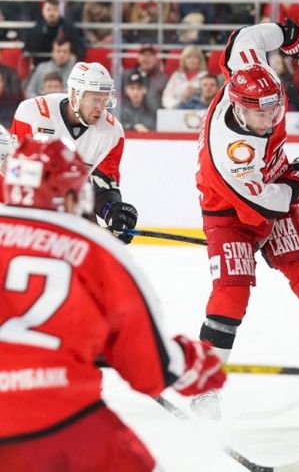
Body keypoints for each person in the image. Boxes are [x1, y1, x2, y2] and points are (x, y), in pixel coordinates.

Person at [0, 136, 226, 470]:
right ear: (69, 192)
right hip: (65, 420)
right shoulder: (92, 247)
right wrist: (195, 367)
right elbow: (150, 365)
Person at [193, 19, 299, 418]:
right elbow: (268, 205)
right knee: (231, 292)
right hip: (230, 211)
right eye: (261, 113)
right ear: (239, 108)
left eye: (275, 108)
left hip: (271, 181)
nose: (271, 118)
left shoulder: (252, 72)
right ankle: (204, 388)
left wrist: (291, 34)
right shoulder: (233, 153)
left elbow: (246, 37)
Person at [8, 62, 140, 244]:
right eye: (95, 99)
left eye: (105, 99)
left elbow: (102, 187)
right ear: (75, 95)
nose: (100, 107)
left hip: (71, 204)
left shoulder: (112, 133)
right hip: (28, 205)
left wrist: (112, 211)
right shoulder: (32, 114)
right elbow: (13, 175)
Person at [24, 0, 86, 66]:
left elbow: (80, 49)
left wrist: (72, 56)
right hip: (42, 66)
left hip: (64, 66)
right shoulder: (36, 29)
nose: (51, 13)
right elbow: (27, 50)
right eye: (48, 9)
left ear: (59, 11)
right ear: (43, 11)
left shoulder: (68, 27)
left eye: (55, 10)